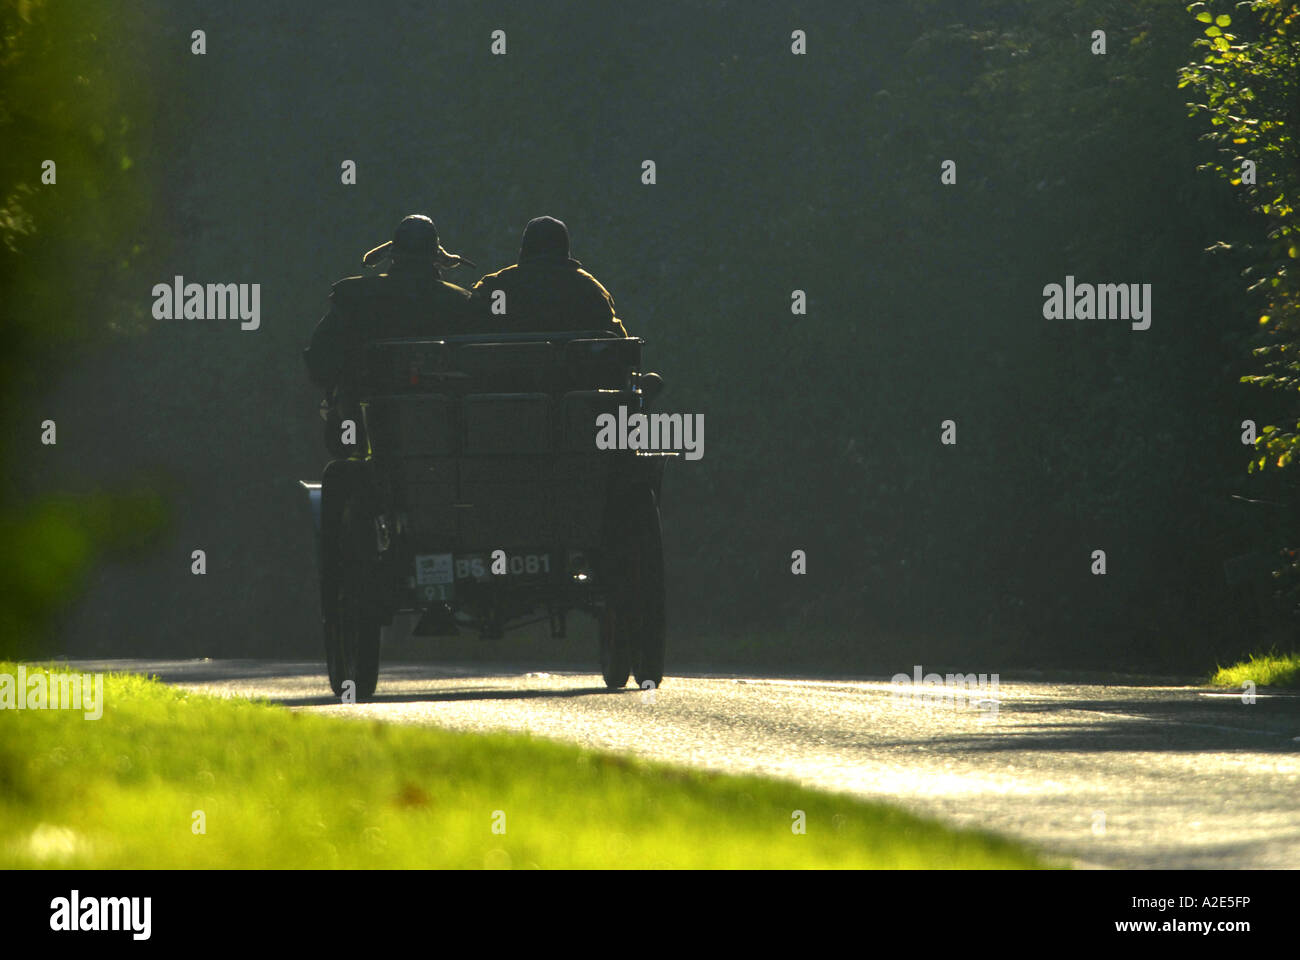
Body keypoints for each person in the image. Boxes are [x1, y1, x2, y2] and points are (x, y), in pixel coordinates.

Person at [304, 214, 474, 457]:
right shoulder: (461, 303)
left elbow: (320, 360)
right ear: (437, 257)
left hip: (366, 434)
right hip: (447, 439)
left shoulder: (355, 297)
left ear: (392, 254)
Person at [469, 216, 627, 337]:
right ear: (565, 248)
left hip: (507, 378)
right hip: (576, 378)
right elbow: (618, 340)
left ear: (524, 247)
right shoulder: (590, 289)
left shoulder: (496, 286)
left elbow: (473, 326)